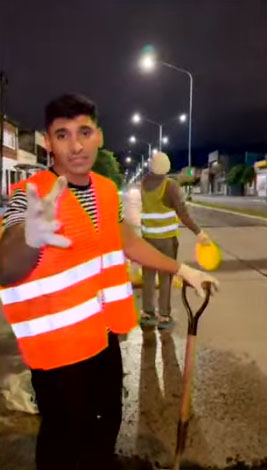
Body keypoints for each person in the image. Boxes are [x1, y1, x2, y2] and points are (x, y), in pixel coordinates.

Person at [0, 94, 218, 470]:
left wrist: (180, 270)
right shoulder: (30, 196)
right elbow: (6, 266)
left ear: (98, 136)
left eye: (84, 131)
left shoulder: (104, 191)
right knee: (63, 442)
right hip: (57, 357)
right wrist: (31, 236)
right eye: (63, 134)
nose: (76, 144)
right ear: (48, 142)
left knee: (104, 429)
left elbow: (127, 240)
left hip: (104, 342)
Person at [141, 151, 212, 330]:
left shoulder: (143, 183)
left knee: (148, 276)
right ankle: (164, 316)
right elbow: (183, 214)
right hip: (165, 241)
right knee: (166, 277)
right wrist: (199, 232)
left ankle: (147, 313)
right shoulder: (169, 185)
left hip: (148, 238)